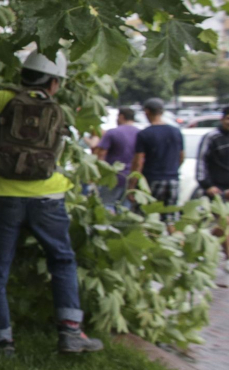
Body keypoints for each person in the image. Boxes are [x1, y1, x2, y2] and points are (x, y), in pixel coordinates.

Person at [0, 49, 103, 356]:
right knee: (62, 260)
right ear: (53, 82)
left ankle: (0, 341)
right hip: (47, 197)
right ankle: (70, 333)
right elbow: (57, 154)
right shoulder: (54, 108)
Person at [129, 98, 184, 231]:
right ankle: (177, 246)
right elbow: (182, 157)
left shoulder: (145, 134)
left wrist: (132, 185)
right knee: (170, 219)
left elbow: (138, 162)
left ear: (147, 112)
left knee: (144, 218)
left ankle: (148, 249)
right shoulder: (176, 132)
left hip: (151, 181)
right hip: (172, 179)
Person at [195, 106, 229, 258]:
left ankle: (203, 241)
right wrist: (207, 185)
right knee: (225, 223)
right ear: (222, 119)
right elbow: (201, 162)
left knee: (223, 226)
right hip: (216, 190)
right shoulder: (212, 137)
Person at [94, 107, 140, 209]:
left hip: (112, 176)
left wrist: (98, 174)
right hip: (132, 177)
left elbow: (101, 155)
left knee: (107, 205)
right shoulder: (140, 133)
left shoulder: (112, 133)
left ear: (121, 116)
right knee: (125, 208)